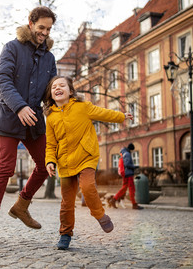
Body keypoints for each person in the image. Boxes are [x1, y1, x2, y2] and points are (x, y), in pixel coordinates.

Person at [0, 6, 57, 246]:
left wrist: (62, 108)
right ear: (30, 24)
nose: (44, 33)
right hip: (9, 116)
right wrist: (19, 106)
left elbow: (50, 91)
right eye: (41, 28)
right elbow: (2, 80)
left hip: (34, 119)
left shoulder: (49, 57)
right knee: (6, 169)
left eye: (48, 29)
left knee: (45, 165)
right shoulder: (12, 48)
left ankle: (21, 205)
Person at [44, 76, 134, 250]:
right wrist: (50, 161)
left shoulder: (83, 107)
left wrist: (121, 116)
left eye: (62, 85)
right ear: (51, 94)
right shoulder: (51, 117)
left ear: (71, 91)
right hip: (65, 161)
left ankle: (100, 215)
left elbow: (103, 113)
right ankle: (65, 234)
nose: (58, 88)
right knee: (66, 202)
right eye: (54, 86)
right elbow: (50, 143)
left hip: (86, 156)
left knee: (87, 187)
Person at [108, 143, 143, 210]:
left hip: (125, 174)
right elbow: (127, 164)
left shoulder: (123, 153)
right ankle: (134, 204)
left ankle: (113, 200)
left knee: (124, 189)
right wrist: (134, 167)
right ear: (131, 149)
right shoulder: (127, 154)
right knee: (131, 189)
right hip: (128, 174)